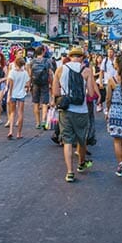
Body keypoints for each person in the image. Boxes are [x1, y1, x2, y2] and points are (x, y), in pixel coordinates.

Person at [52, 47, 98, 183]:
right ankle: (81, 164)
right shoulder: (87, 71)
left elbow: (55, 92)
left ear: (70, 56)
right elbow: (90, 93)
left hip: (66, 110)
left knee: (67, 141)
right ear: (82, 57)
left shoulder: (60, 69)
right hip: (81, 110)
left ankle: (69, 172)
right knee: (81, 139)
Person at [29, 45, 53, 129]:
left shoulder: (32, 61)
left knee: (35, 102)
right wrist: (51, 83)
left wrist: (29, 85)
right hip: (44, 83)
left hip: (35, 83)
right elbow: (50, 73)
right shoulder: (47, 61)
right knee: (45, 103)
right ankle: (43, 120)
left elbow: (30, 74)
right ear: (43, 51)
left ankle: (37, 123)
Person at [6, 55, 30, 139]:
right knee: (20, 113)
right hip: (21, 94)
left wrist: (9, 95)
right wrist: (25, 90)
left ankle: (11, 131)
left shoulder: (12, 72)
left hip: (13, 94)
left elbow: (10, 85)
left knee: (12, 113)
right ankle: (19, 133)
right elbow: (27, 84)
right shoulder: (25, 73)